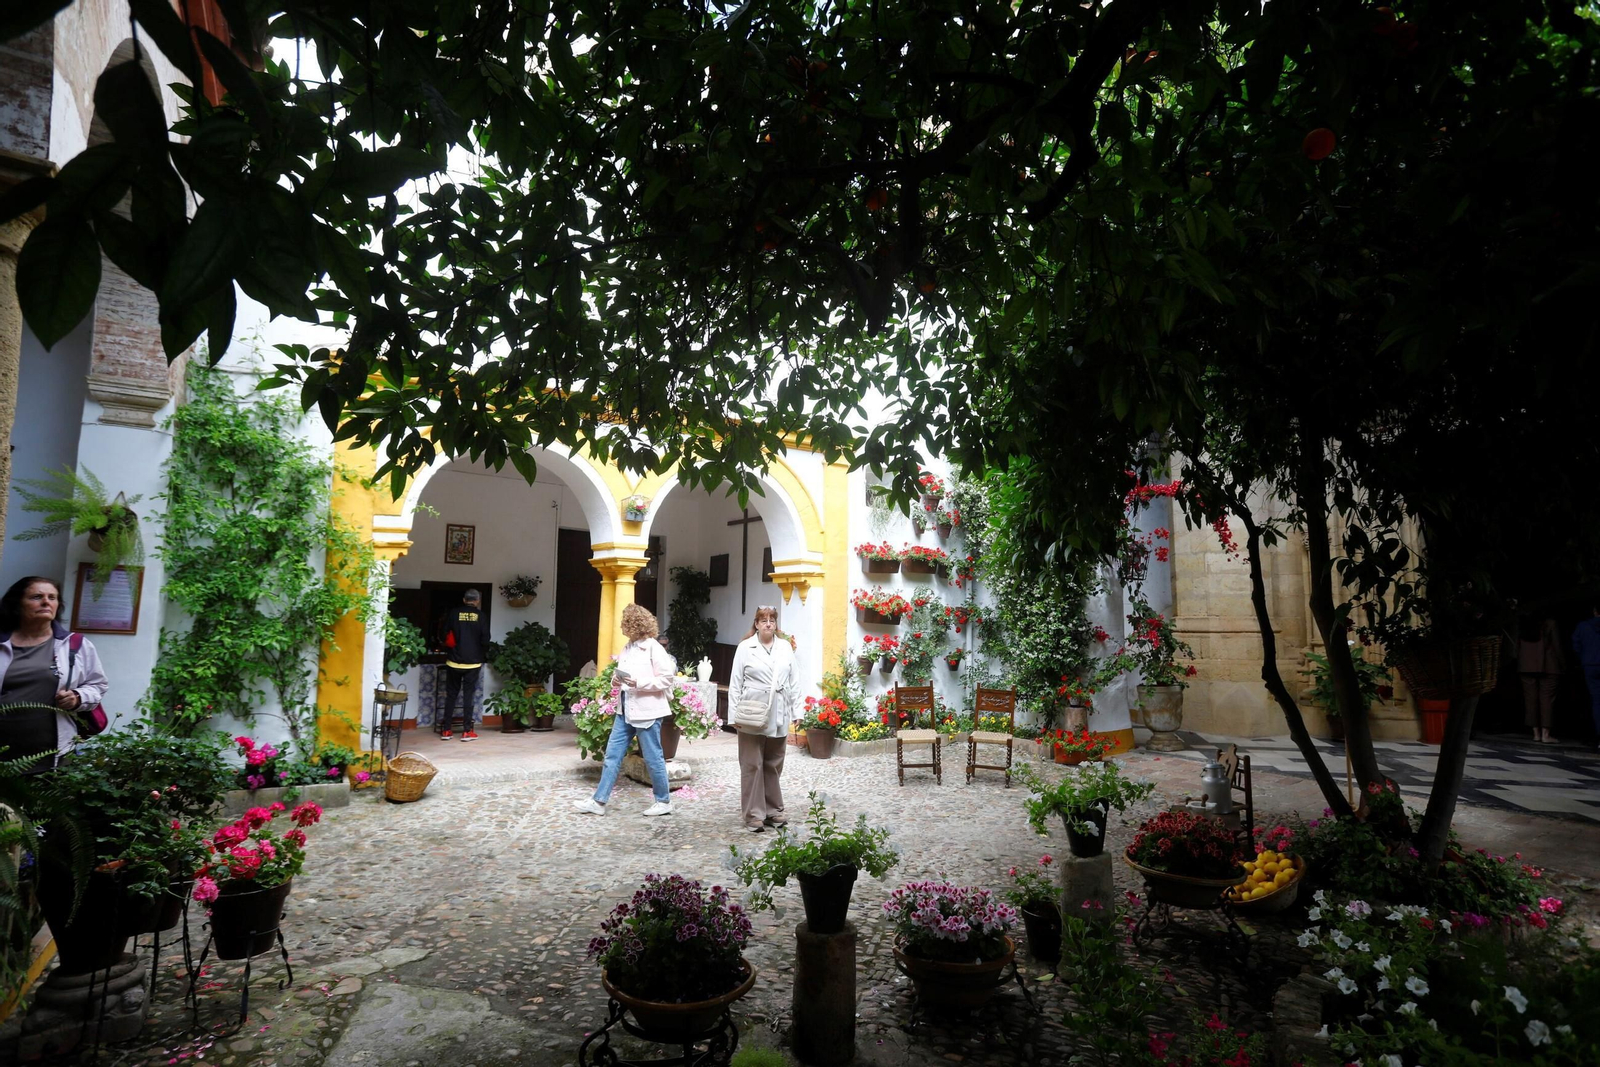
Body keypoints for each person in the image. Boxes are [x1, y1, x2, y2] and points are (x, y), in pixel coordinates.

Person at [572, 604, 676, 817]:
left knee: (653, 756)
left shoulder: (653, 648)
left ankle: (664, 801)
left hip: (647, 711)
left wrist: (638, 682)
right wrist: (616, 680)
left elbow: (666, 679)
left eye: (625, 622)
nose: (622, 626)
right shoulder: (628, 647)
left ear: (634, 624)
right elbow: (624, 675)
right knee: (612, 755)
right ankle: (599, 802)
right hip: (626, 709)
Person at [0, 576, 109, 773]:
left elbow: (98, 685)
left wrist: (77, 697)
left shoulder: (74, 644)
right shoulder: (2, 644)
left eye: (52, 597)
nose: (46, 602)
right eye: (36, 597)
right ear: (17, 604)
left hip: (53, 755)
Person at [728, 605, 800, 833]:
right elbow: (735, 683)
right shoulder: (745, 648)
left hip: (778, 710)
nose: (768, 623)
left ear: (776, 624)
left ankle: (773, 810)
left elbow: (794, 681)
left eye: (772, 619)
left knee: (774, 763)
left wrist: (797, 712)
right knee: (752, 763)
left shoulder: (785, 647)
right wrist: (733, 715)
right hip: (751, 711)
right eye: (763, 620)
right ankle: (753, 814)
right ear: (756, 624)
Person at [441, 588, 490, 741]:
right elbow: (485, 640)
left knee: (451, 695)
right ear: (477, 601)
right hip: (473, 663)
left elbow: (443, 634)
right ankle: (467, 731)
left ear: (464, 600)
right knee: (468, 696)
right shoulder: (481, 616)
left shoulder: (454, 613)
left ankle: (447, 730)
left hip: (454, 661)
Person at [1517, 615, 1565, 743]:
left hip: (1526, 665)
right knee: (1547, 699)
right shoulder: (1550, 623)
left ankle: (1536, 733)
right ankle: (1545, 734)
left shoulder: (1522, 622)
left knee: (1530, 699)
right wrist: (1563, 664)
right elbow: (1557, 646)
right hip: (1549, 665)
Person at [1574, 602, 1600, 750]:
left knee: (1596, 701)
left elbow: (1576, 645)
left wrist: (1583, 658)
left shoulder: (1583, 626)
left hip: (1590, 665)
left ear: (1595, 611)